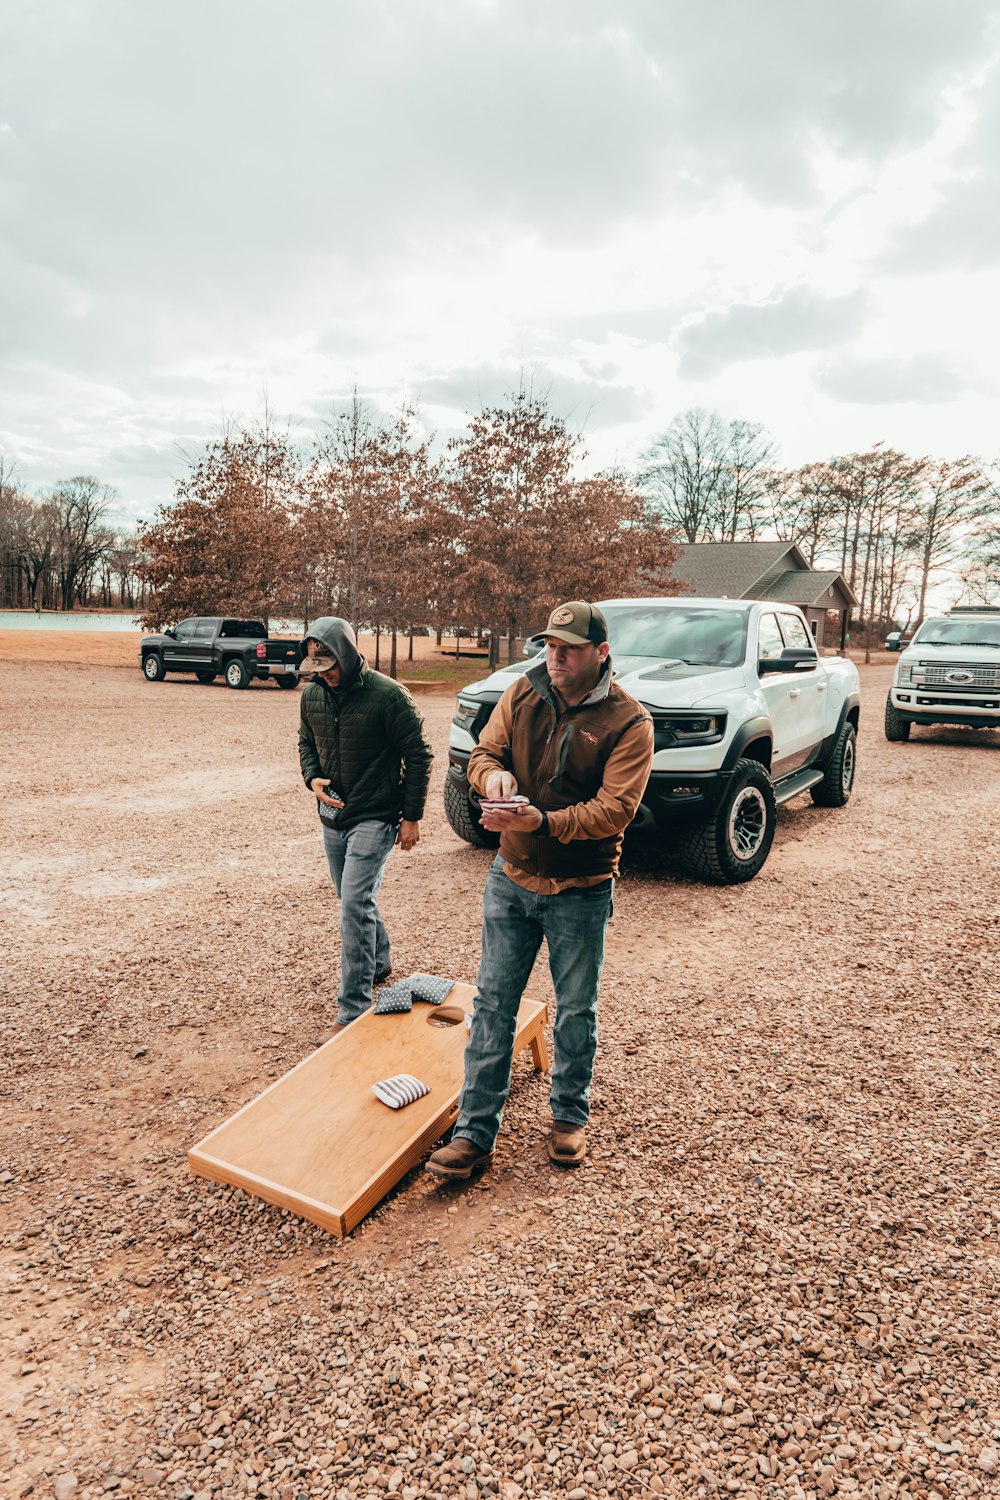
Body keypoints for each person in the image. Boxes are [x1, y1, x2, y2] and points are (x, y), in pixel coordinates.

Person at [427, 600, 654, 1179]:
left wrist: (543, 823)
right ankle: (475, 1134)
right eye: (550, 645)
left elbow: (614, 811)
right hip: (511, 879)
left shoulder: (630, 722)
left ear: (600, 654)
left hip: (581, 887)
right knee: (493, 1004)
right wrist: (491, 776)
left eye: (569, 649)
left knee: (575, 1010)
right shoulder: (522, 692)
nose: (554, 657)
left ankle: (569, 1118)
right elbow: (483, 753)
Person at [298, 618, 433, 1034]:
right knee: (351, 899)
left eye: (329, 663)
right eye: (317, 665)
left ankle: (352, 1010)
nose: (323, 672)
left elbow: (420, 756)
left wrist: (411, 817)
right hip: (333, 816)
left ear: (347, 652)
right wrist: (312, 777)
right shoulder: (312, 695)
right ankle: (378, 960)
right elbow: (306, 741)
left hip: (375, 814)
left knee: (354, 904)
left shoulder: (390, 696)